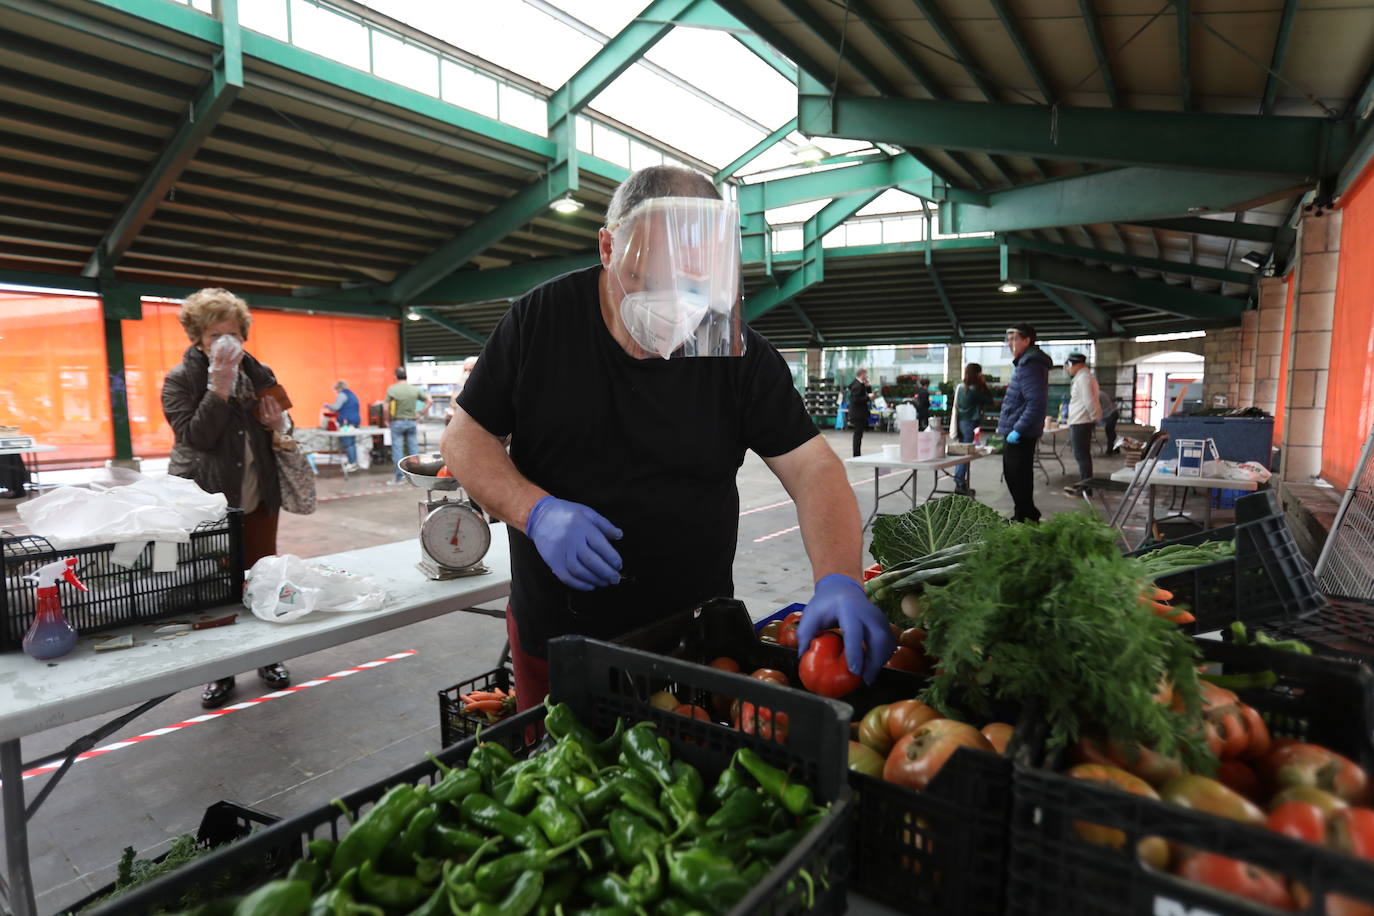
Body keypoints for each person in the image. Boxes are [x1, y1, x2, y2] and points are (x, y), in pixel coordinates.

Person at [441, 165, 894, 711]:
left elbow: (813, 468)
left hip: (692, 633)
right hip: (560, 626)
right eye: (652, 278)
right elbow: (465, 440)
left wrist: (839, 579)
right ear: (608, 248)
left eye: (695, 285)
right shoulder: (542, 320)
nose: (677, 305)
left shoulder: (729, 346)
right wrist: (536, 511)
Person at [162, 287, 291, 708]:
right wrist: (217, 387)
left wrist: (277, 426)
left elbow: (284, 423)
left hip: (258, 494)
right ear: (197, 338)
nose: (226, 343)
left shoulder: (258, 372)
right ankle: (221, 671)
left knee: (262, 578)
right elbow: (196, 436)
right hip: (212, 502)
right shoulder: (181, 380)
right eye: (215, 335)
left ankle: (268, 659)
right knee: (218, 587)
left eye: (233, 333)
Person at [996, 324, 1052, 523]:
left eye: (1014, 338)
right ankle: (1023, 516)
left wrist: (1018, 429)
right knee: (1017, 478)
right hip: (1020, 431)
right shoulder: (1027, 362)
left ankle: (1027, 519)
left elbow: (1036, 402)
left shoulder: (1030, 363)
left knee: (1017, 478)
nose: (1010, 343)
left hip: (1020, 433)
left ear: (1027, 340)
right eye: (1008, 338)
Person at [1063, 353, 1102, 496]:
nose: (1067, 369)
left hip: (1081, 422)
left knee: (1082, 456)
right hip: (1081, 421)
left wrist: (1093, 417)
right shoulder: (1084, 377)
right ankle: (1085, 486)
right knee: (1082, 456)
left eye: (1068, 366)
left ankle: (1086, 489)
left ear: (1076, 364)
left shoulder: (1083, 378)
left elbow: (1088, 401)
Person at [952, 363, 992, 495]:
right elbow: (989, 400)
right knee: (966, 453)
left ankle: (960, 482)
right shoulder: (975, 390)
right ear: (977, 374)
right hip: (970, 423)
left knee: (962, 452)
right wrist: (984, 383)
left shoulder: (960, 387)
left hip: (961, 421)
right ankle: (960, 484)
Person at [386, 367, 430, 484]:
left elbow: (386, 407)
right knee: (413, 451)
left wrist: (387, 420)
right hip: (411, 422)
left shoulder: (392, 389)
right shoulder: (414, 389)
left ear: (396, 376)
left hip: (397, 422)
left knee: (398, 450)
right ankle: (415, 478)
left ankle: (400, 478)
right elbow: (429, 401)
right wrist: (421, 413)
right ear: (406, 376)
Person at [323, 380, 361, 472]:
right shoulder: (353, 395)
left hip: (346, 422)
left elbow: (336, 407)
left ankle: (351, 463)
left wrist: (327, 405)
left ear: (339, 388)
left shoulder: (342, 395)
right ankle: (354, 463)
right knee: (352, 442)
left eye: (336, 390)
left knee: (347, 443)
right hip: (355, 421)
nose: (336, 392)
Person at [847, 368, 872, 457]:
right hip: (858, 413)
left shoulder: (859, 384)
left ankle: (857, 453)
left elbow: (866, 393)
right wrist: (868, 397)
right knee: (857, 434)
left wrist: (868, 386)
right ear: (862, 374)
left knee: (859, 434)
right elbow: (856, 399)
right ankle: (856, 454)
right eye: (866, 374)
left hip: (859, 413)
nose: (867, 376)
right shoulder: (857, 385)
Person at [1098, 386, 1120, 455]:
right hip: (1113, 413)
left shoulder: (1098, 395)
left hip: (1111, 414)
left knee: (1110, 432)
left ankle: (1110, 450)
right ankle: (1116, 448)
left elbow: (1097, 408)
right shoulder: (1100, 393)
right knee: (1111, 433)